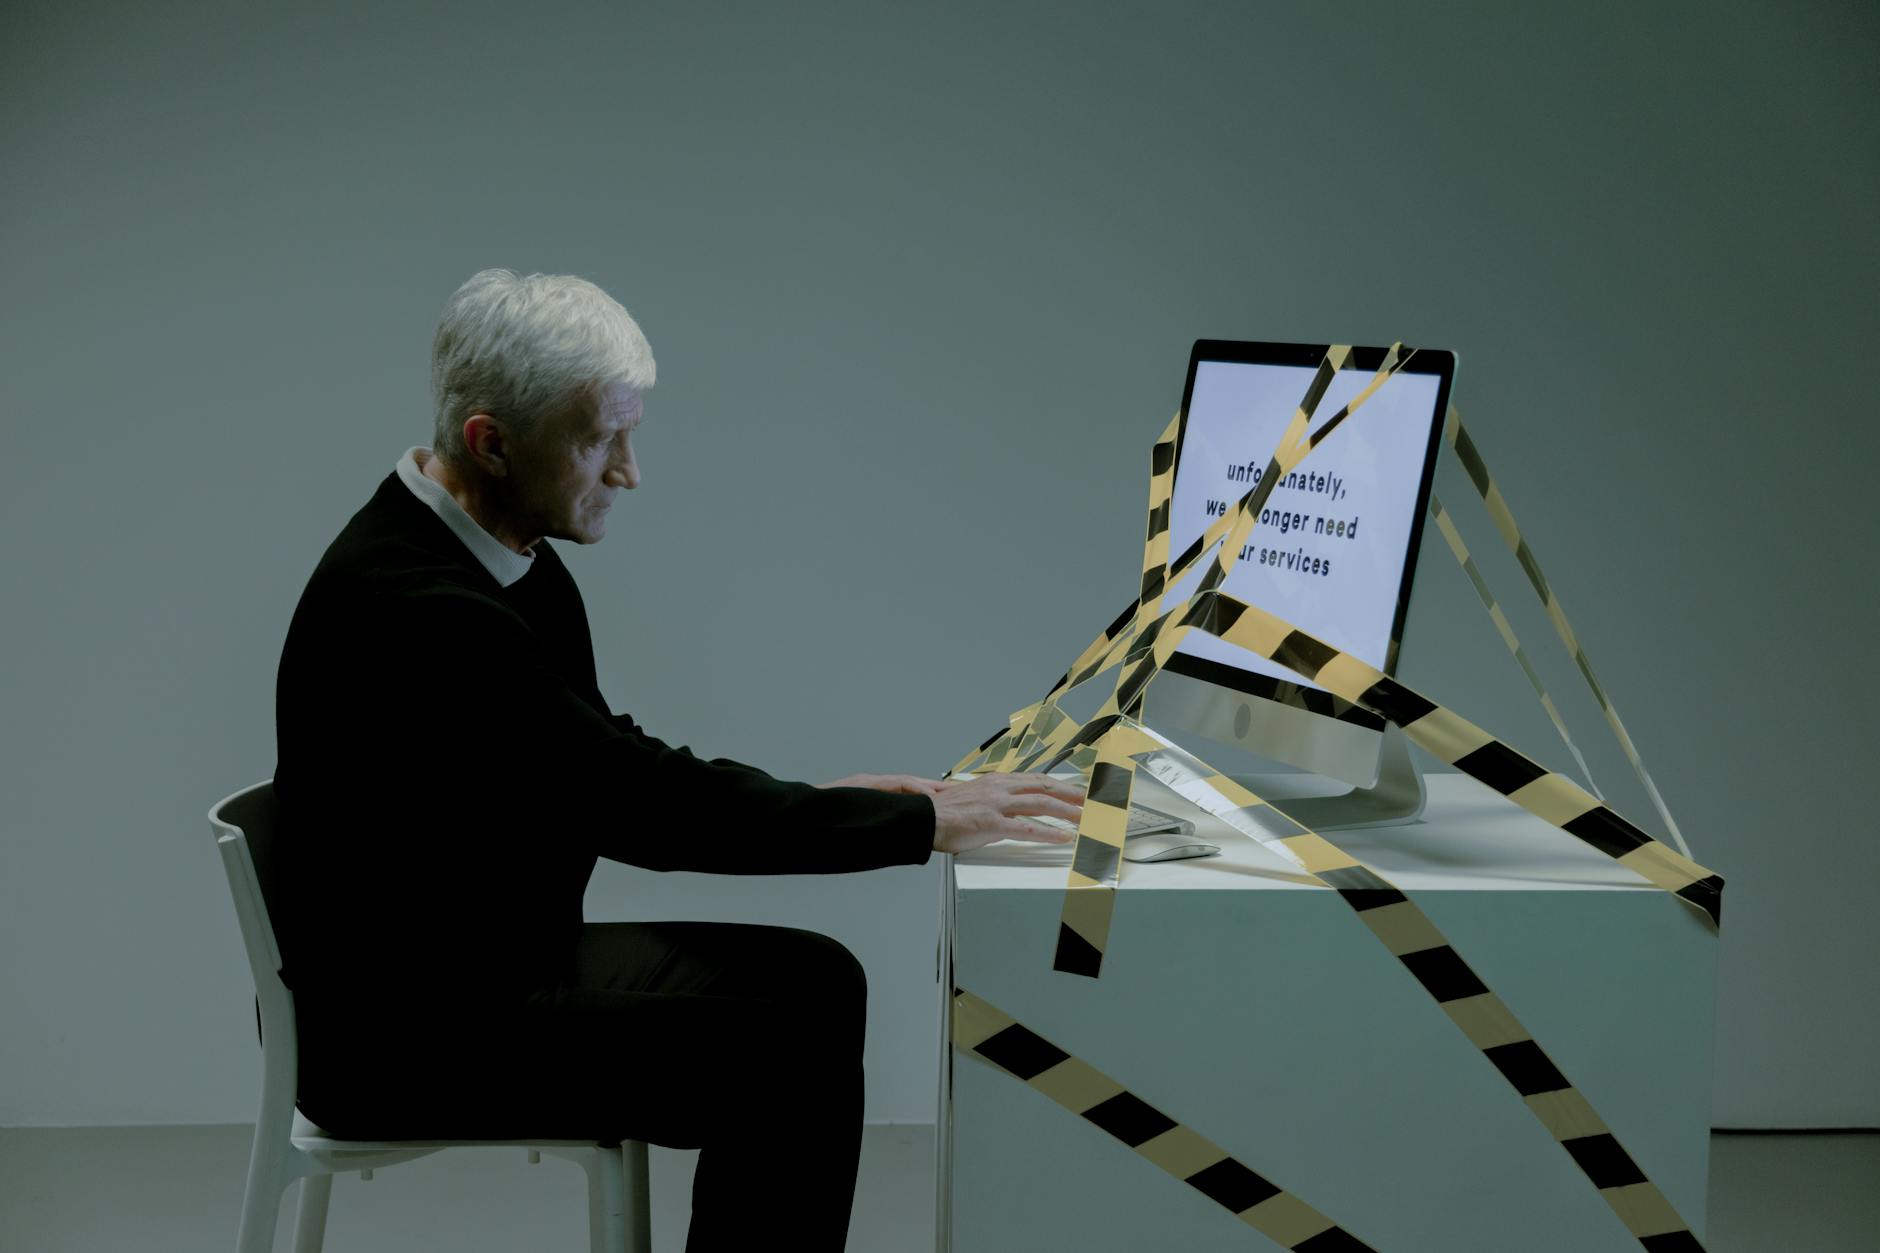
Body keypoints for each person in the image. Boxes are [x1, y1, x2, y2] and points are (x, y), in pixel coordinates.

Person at [272, 268, 1082, 1252]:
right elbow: (638, 809)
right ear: (491, 441)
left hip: (485, 963)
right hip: (410, 1035)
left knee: (817, 982)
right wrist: (913, 823)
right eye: (597, 438)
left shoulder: (498, 553)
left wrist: (833, 799)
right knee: (781, 1052)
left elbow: (599, 756)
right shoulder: (422, 606)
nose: (626, 471)